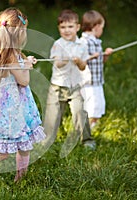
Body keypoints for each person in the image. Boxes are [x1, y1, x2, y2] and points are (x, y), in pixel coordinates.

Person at [0, 8, 46, 185]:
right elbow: (24, 81)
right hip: (11, 113)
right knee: (3, 153)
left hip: (18, 108)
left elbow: (17, 68)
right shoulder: (11, 56)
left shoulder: (7, 53)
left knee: (25, 146)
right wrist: (27, 66)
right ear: (20, 33)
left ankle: (21, 178)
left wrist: (25, 60)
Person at [43, 9, 96, 151]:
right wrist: (65, 59)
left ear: (77, 27)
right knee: (52, 115)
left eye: (70, 27)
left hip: (75, 86)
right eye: (63, 27)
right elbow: (57, 63)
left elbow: (83, 66)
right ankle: (46, 140)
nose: (67, 30)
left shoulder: (82, 45)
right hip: (57, 86)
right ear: (59, 28)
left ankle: (87, 140)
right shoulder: (57, 44)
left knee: (80, 112)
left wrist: (78, 61)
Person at [80, 10, 113, 129]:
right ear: (97, 27)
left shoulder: (96, 42)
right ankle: (87, 129)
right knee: (91, 106)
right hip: (88, 82)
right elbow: (79, 60)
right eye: (102, 28)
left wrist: (106, 55)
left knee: (98, 105)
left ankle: (94, 126)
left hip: (97, 81)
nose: (102, 31)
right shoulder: (83, 42)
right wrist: (91, 57)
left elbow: (100, 61)